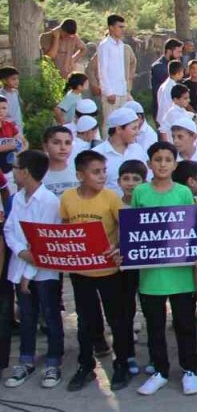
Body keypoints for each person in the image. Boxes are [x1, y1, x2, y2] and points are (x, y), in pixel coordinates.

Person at [59, 150, 134, 391]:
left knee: (117, 319)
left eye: (103, 171)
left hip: (109, 271)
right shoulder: (68, 198)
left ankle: (122, 364)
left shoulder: (110, 197)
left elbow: (127, 226)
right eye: (95, 172)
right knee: (85, 321)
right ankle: (86, 366)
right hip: (81, 273)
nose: (102, 176)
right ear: (80, 175)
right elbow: (65, 227)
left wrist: (118, 245)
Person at [132, 142, 197, 396]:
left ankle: (190, 370)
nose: (162, 164)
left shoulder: (183, 192)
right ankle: (160, 371)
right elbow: (134, 230)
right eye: (157, 159)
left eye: (167, 159)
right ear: (149, 163)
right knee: (155, 326)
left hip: (180, 274)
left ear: (174, 164)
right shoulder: (140, 192)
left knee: (185, 324)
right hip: (151, 276)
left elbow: (192, 229)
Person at [4, 150, 64, 389]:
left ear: (26, 172)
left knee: (50, 315)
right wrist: (21, 252)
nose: (13, 172)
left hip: (44, 271)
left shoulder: (49, 201)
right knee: (26, 316)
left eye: (16, 167)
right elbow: (10, 230)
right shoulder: (17, 198)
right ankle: (25, 360)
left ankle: (53, 362)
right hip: (20, 265)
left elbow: (44, 240)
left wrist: (28, 273)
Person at [89, 15, 137, 137]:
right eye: (120, 27)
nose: (122, 30)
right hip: (111, 92)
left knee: (122, 122)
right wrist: (108, 91)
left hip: (122, 90)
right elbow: (102, 70)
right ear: (111, 27)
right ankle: (106, 145)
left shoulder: (121, 44)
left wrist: (126, 89)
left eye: (123, 27)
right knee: (110, 122)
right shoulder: (105, 45)